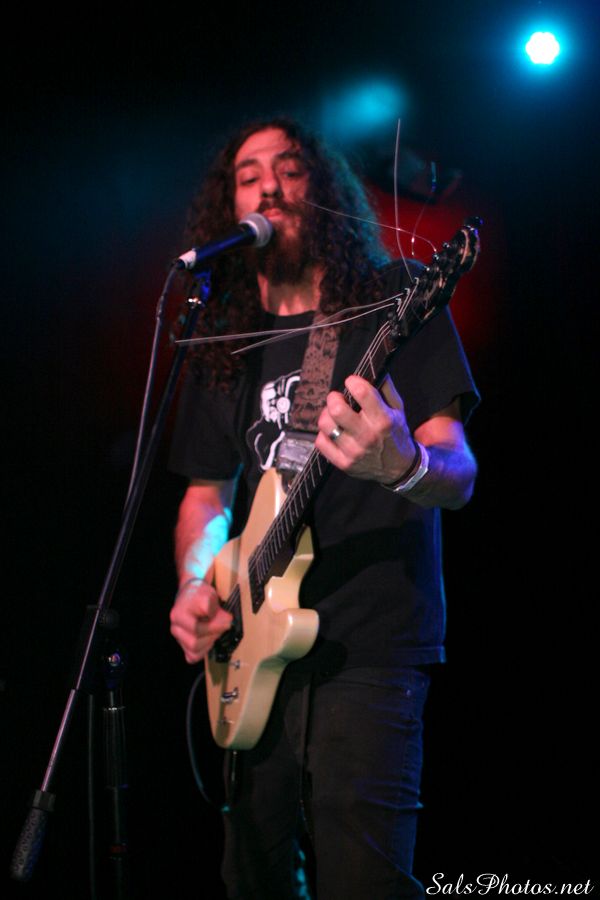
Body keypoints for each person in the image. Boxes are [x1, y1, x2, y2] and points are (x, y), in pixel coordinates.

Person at [168, 117, 479, 899]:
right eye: (248, 176)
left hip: (369, 645)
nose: (269, 187)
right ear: (228, 205)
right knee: (252, 879)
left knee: (364, 881)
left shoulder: (392, 298)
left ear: (325, 188)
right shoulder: (224, 336)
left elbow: (459, 471)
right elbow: (206, 493)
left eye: (290, 168)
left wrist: (404, 465)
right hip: (250, 652)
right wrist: (197, 583)